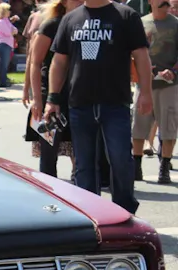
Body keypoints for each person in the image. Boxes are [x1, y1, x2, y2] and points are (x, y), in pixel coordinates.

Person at [44, 0, 153, 215]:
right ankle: (90, 212)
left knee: (120, 159)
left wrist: (146, 92)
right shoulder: (71, 19)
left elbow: (141, 56)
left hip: (115, 102)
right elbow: (59, 61)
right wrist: (52, 98)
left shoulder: (126, 15)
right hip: (80, 103)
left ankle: (124, 210)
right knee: (84, 164)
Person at [26, 0, 83, 179]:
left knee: (80, 150)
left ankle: (78, 185)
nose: (81, 2)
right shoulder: (51, 25)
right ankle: (48, 187)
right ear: (64, 2)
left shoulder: (86, 24)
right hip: (50, 96)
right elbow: (35, 63)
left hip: (78, 95)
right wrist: (37, 98)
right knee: (48, 151)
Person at [131, 0, 178, 183]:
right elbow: (131, 52)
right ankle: (136, 166)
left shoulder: (175, 24)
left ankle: (164, 168)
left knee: (168, 127)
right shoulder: (140, 23)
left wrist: (173, 71)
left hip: (169, 85)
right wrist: (139, 70)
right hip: (144, 84)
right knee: (138, 124)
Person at [0, 2, 18, 87]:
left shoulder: (7, 21)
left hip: (8, 44)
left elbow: (15, 30)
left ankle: (4, 80)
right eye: (8, 10)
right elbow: (8, 32)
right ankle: (2, 82)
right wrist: (12, 31)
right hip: (3, 44)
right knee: (3, 64)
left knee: (6, 64)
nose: (9, 11)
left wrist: (12, 31)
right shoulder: (0, 22)